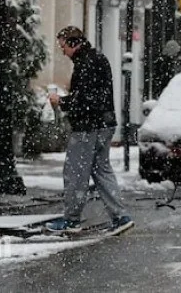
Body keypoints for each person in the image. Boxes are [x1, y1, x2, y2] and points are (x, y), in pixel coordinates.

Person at [45, 26, 134, 236]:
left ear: (74, 44)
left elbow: (85, 100)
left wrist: (61, 101)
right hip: (105, 123)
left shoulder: (85, 64)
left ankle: (71, 219)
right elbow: (94, 96)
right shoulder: (97, 59)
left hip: (88, 127)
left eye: (63, 46)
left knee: (76, 171)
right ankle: (120, 216)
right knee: (101, 169)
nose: (63, 51)